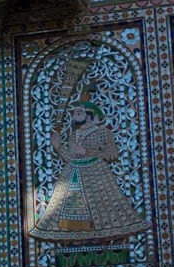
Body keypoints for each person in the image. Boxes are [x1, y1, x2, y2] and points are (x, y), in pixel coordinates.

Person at [30, 95, 148, 242]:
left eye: (79, 113)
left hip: (95, 173)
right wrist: (58, 147)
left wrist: (87, 152)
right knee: (71, 207)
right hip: (73, 173)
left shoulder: (103, 132)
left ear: (90, 115)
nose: (75, 116)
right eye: (74, 113)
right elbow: (72, 158)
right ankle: (76, 233)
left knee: (100, 208)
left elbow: (111, 154)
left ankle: (102, 235)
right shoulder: (75, 134)